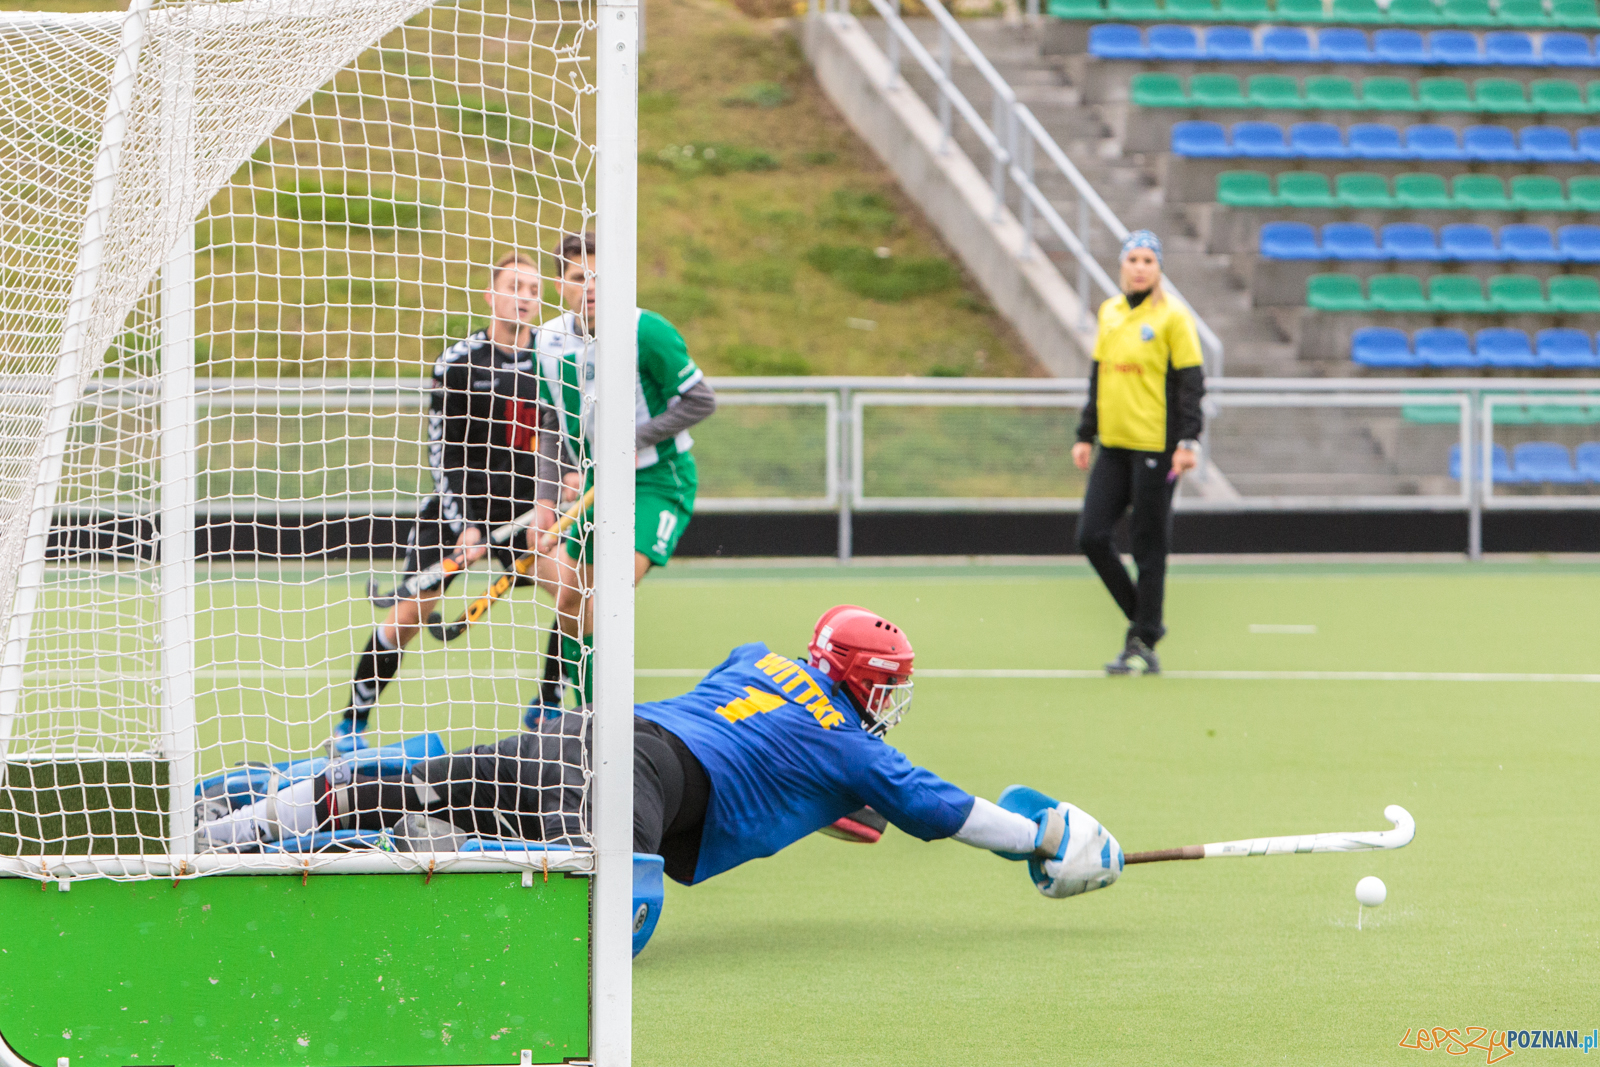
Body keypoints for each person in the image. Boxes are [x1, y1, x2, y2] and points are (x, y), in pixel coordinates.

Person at [197, 605, 1124, 925]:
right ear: (866, 685)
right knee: (597, 936)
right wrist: (1045, 834)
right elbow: (945, 808)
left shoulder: (757, 657)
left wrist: (820, 802)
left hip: (583, 736)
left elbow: (759, 746)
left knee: (422, 798)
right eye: (889, 688)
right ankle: (344, 847)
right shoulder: (851, 746)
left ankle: (227, 828)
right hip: (633, 788)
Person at [334, 251, 560, 750]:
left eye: (533, 290)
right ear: (490, 295)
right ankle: (351, 725)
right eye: (514, 286)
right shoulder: (457, 364)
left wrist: (557, 491)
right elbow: (441, 454)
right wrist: (466, 525)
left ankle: (548, 707)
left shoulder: (555, 360)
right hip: (458, 506)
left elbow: (563, 436)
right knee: (412, 612)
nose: (524, 297)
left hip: (528, 511)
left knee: (576, 594)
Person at [526, 232, 716, 723]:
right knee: (571, 599)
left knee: (605, 593)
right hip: (593, 493)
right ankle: (573, 711)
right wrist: (546, 500)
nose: (589, 286)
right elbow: (550, 424)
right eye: (576, 277)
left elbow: (701, 400)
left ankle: (593, 717)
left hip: (658, 482)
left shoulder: (645, 331)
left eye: (598, 277)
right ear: (559, 284)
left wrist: (632, 440)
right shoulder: (546, 341)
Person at [1072, 230, 1205, 677]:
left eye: (1149, 259)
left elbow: (1190, 383)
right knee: (1091, 536)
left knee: (1149, 546)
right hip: (1113, 444)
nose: (1141, 266)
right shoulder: (1109, 312)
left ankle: (1143, 638)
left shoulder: (1173, 317)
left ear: (1159, 267)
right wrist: (1085, 433)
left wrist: (1188, 442)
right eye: (1134, 258)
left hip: (1156, 448)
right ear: (1122, 265)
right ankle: (1145, 620)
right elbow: (1099, 376)